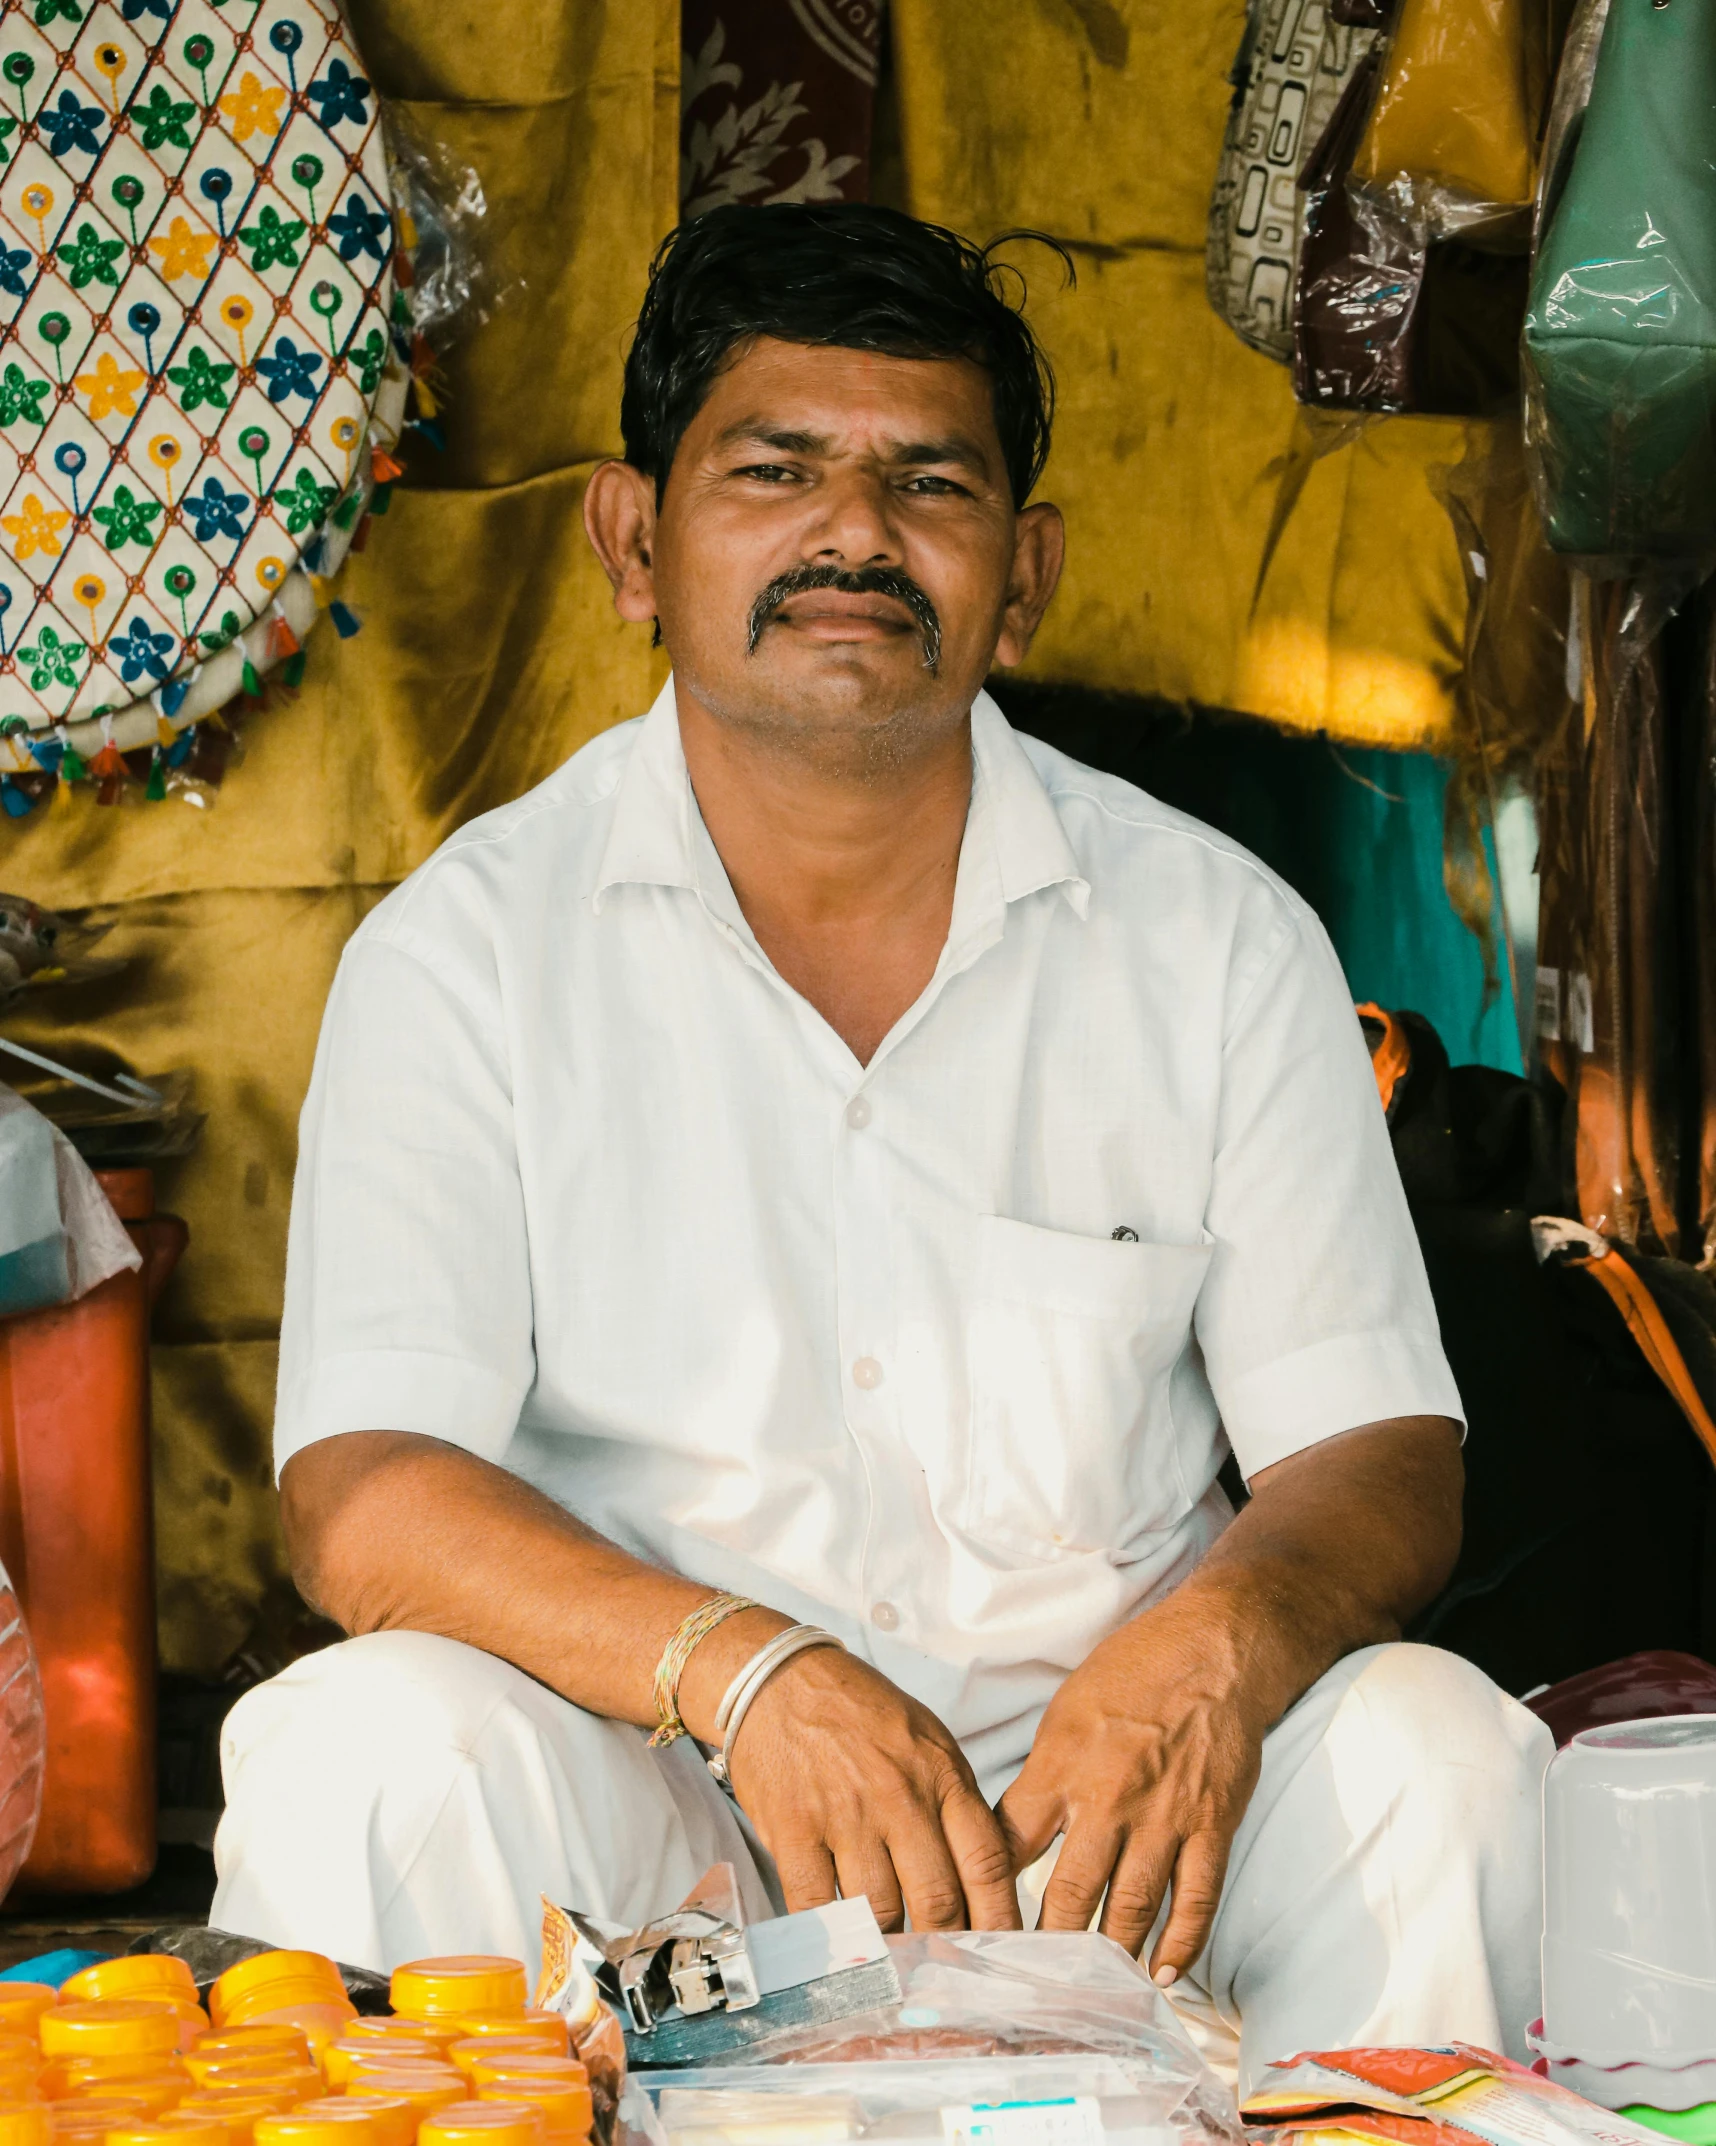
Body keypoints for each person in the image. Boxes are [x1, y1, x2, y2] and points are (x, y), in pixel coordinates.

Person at [212, 203, 1550, 2086]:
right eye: (774, 471)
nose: (854, 533)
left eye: (930, 482)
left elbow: (1383, 1450)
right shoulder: (463, 954)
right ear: (631, 543)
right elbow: (357, 1489)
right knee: (362, 1747)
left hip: (1101, 1860)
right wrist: (745, 1672)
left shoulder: (1217, 937)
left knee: (1440, 1746)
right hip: (663, 1859)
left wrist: (1217, 1654)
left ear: (1025, 576)